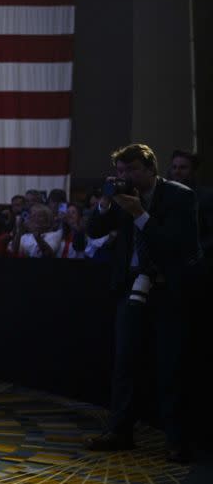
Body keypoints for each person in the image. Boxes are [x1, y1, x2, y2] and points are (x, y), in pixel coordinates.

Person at [84, 144, 202, 462]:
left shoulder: (178, 196)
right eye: (121, 171)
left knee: (170, 365)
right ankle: (120, 431)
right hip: (131, 289)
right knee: (125, 363)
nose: (126, 177)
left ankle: (176, 439)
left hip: (167, 292)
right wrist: (106, 203)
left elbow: (176, 246)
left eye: (132, 170)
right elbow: (92, 230)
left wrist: (139, 213)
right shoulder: (121, 198)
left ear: (151, 168)